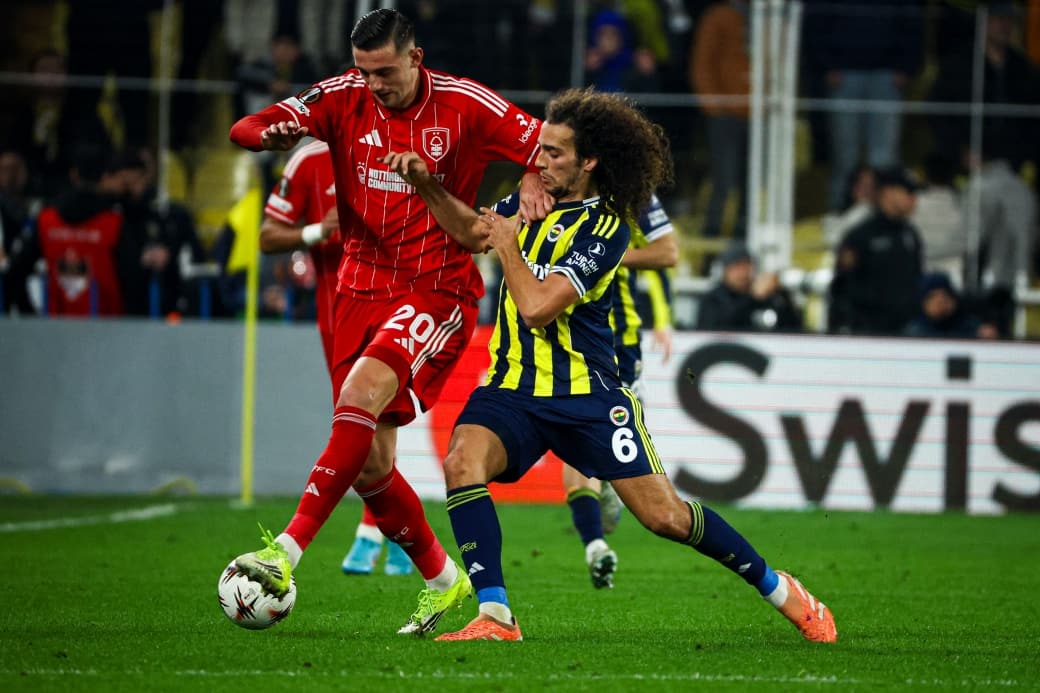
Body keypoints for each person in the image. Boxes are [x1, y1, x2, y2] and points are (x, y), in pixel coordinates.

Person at [386, 87, 837, 643]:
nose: (539, 160)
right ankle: (496, 615)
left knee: (665, 517)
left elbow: (537, 308)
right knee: (461, 462)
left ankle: (780, 588)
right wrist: (427, 184)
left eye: (554, 153)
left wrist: (507, 246)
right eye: (540, 149)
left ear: (589, 162)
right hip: (512, 389)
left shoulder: (607, 228)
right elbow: (469, 231)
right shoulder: (528, 203)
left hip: (588, 397)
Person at [226, 8, 552, 637]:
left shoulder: (464, 103)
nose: (374, 84)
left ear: (415, 57)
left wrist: (534, 172)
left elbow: (545, 140)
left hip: (435, 288)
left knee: (359, 396)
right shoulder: (343, 96)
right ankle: (443, 580)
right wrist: (270, 135)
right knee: (371, 464)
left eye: (385, 71)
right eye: (364, 71)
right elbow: (249, 125)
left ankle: (284, 552)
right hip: (357, 289)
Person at [264, 139, 413, 576]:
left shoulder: (399, 145)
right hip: (338, 318)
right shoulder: (309, 160)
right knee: (359, 431)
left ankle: (375, 534)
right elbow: (267, 236)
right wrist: (317, 230)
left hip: (396, 309)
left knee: (377, 422)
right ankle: (397, 535)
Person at [561, 193, 679, 590]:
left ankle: (607, 486)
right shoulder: (544, 190)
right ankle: (594, 545)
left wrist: (610, 256)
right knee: (576, 440)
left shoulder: (632, 193)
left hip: (619, 345)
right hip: (564, 340)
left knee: (612, 444)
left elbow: (666, 254)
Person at [829, 166, 924, 336]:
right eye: (908, 192)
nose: (914, 200)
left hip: (905, 331)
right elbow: (843, 287)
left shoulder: (910, 234)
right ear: (888, 193)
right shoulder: (861, 235)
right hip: (867, 331)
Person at [690, 0, 750, 241]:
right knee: (724, 176)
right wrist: (713, 104)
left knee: (751, 178)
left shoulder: (768, 17)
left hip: (760, 114)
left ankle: (744, 230)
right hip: (726, 112)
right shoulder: (719, 16)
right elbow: (702, 62)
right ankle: (712, 231)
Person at [696, 240, 803, 332]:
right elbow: (719, 327)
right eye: (737, 267)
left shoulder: (767, 297)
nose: (742, 273)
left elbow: (795, 328)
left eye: (746, 266)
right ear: (725, 271)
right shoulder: (713, 299)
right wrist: (753, 297)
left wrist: (782, 293)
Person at [904, 271, 998, 340]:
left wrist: (987, 335)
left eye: (945, 295)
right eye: (932, 297)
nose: (940, 301)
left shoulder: (968, 324)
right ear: (923, 303)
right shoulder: (914, 331)